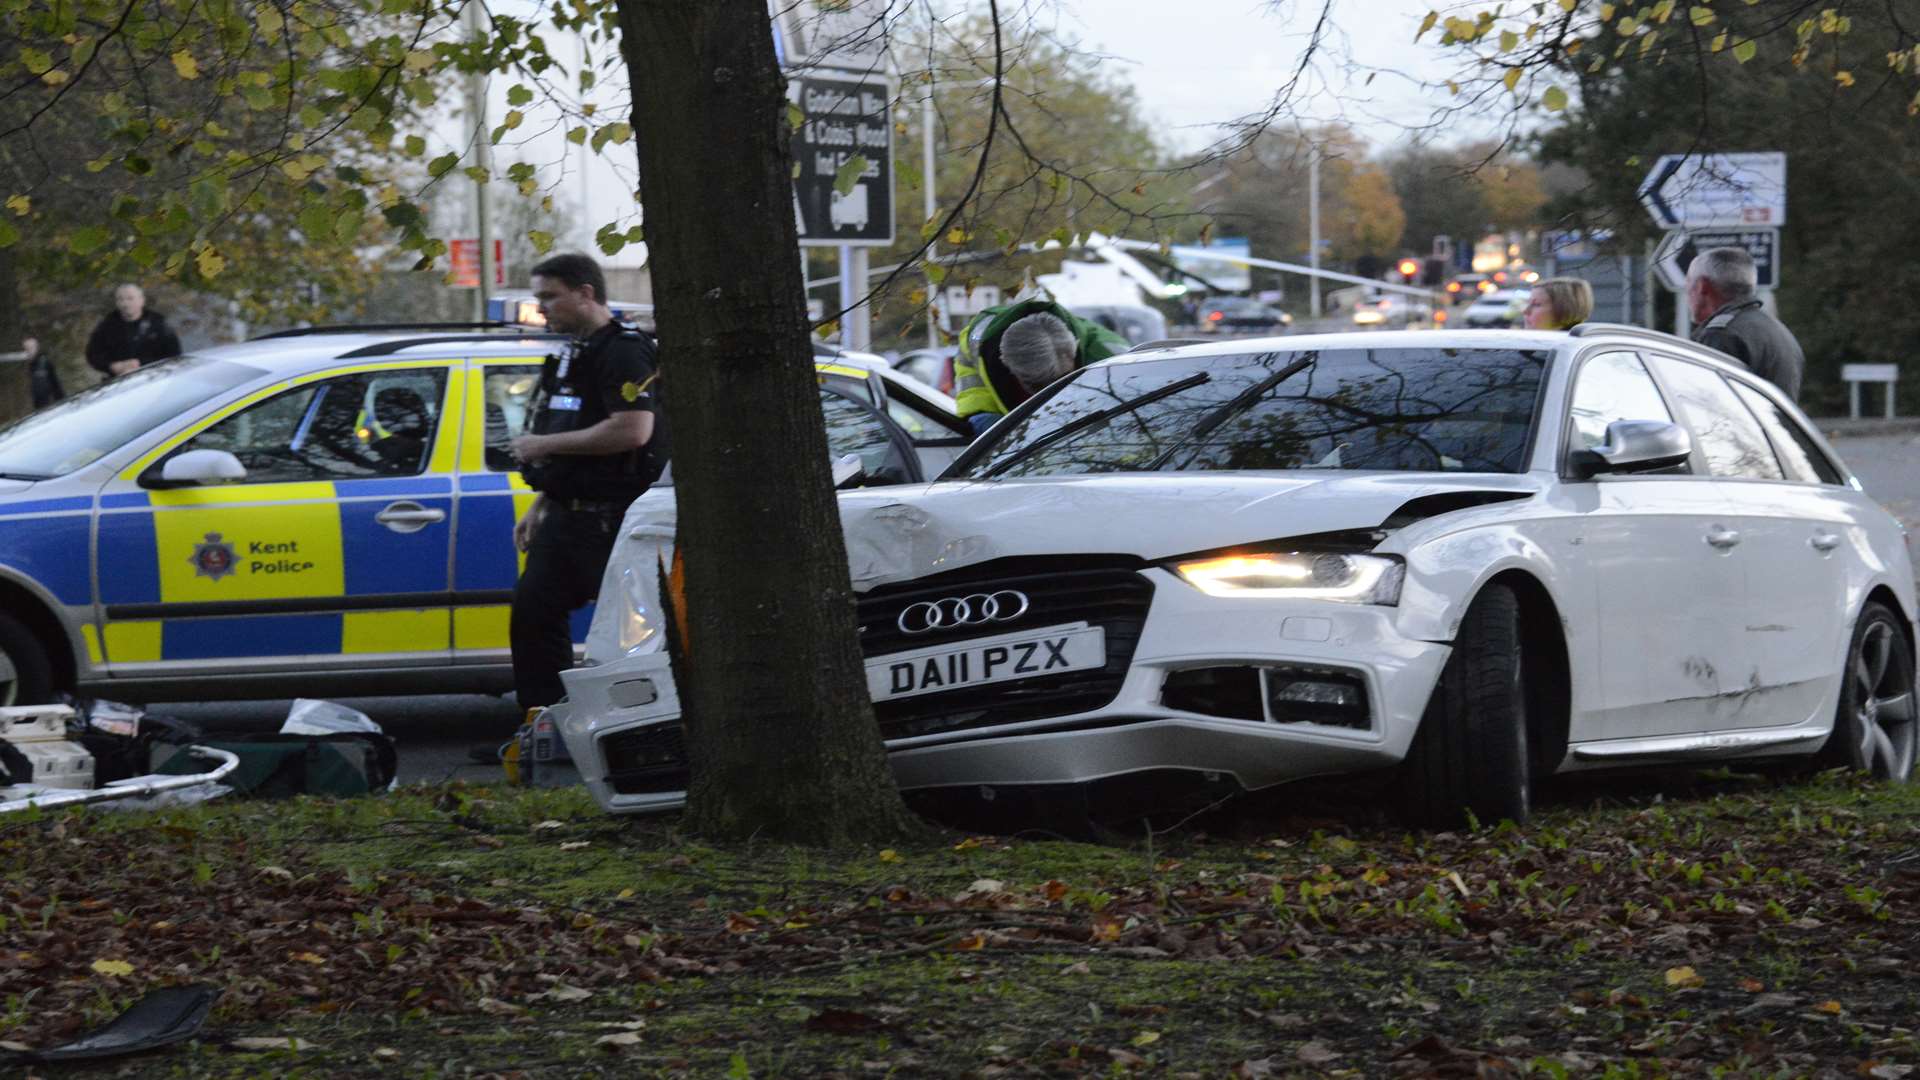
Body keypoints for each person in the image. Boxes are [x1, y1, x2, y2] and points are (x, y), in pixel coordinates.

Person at [504, 253, 668, 720]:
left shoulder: (624, 351)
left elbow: (633, 430)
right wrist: (542, 501)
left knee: (633, 634)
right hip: (567, 513)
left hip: (611, 521)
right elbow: (579, 434)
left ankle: (638, 727)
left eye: (549, 297)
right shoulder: (577, 353)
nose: (542, 309)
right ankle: (546, 728)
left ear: (586, 293)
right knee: (533, 615)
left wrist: (540, 444)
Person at [953, 297, 1131, 435]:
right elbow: (970, 378)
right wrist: (983, 416)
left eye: (1062, 379)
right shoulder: (977, 339)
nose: (1046, 391)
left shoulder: (1114, 359)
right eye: (1035, 385)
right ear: (1005, 362)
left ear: (1074, 349)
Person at [1686, 247, 1803, 400]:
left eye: (1688, 282)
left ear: (1702, 286)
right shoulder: (1778, 330)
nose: (1687, 292)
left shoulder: (1722, 335)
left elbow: (1709, 402)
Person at [84, 284, 180, 379]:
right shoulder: (106, 326)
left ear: (141, 300)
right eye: (120, 299)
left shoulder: (159, 323)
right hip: (119, 381)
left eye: (130, 298)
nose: (125, 304)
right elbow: (93, 355)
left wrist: (140, 363)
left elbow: (174, 355)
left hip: (156, 378)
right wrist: (111, 366)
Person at [1521, 278, 1593, 330]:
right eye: (1528, 303)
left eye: (1536, 304)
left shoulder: (1572, 348)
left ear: (1564, 309)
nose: (1525, 311)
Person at [23, 337, 63, 409]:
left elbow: (56, 384)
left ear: (37, 348)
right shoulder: (30, 366)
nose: (29, 351)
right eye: (26, 349)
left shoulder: (45, 363)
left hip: (52, 405)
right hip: (40, 407)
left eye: (31, 348)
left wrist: (61, 402)